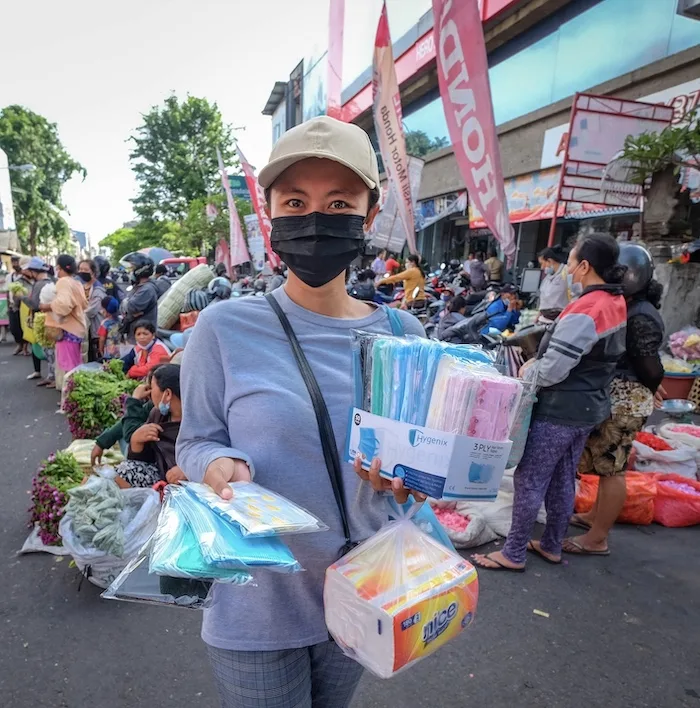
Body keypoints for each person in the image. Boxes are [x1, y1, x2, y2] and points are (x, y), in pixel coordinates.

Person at [175, 115, 425, 707]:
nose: (315, 218)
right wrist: (218, 464)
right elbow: (194, 442)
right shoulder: (223, 327)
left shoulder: (404, 334)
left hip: (367, 591)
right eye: (295, 201)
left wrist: (410, 481)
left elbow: (417, 472)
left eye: (339, 201)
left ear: (369, 217)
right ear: (272, 219)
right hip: (259, 603)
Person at [472, 232, 627, 571]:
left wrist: (528, 372)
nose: (567, 268)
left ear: (585, 266)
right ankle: (553, 543)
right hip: (588, 407)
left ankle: (512, 553)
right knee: (562, 477)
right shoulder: (615, 301)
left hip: (561, 409)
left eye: (571, 261)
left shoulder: (589, 307)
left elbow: (555, 369)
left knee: (530, 478)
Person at [565, 244, 664, 556]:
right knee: (604, 462)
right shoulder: (631, 306)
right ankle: (595, 517)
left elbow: (649, 365)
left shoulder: (641, 316)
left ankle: (597, 538)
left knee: (613, 468)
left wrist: (652, 386)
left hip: (626, 400)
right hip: (619, 396)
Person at [115, 364, 185, 488]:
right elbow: (142, 461)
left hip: (191, 483)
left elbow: (210, 452)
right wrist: (136, 441)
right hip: (161, 477)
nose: (150, 393)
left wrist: (188, 469)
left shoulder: (197, 421)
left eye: (152, 388)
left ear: (167, 394)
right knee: (118, 475)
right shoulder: (157, 414)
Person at [40, 255, 87, 392]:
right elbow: (83, 303)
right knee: (75, 364)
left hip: (67, 329)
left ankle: (70, 397)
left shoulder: (63, 282)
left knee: (69, 366)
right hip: (77, 328)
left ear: (59, 268)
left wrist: (46, 306)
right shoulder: (76, 282)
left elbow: (64, 305)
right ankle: (73, 395)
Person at [92, 374, 155, 465]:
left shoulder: (161, 410)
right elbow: (125, 422)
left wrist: (135, 400)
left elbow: (130, 434)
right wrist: (101, 443)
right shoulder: (153, 405)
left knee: (128, 436)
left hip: (153, 463)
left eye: (151, 388)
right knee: (124, 430)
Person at [21, 257, 54, 383]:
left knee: (45, 348)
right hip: (50, 318)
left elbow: (34, 304)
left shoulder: (39, 284)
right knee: (48, 348)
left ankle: (50, 377)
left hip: (41, 319)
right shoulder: (51, 281)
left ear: (34, 271)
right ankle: (48, 375)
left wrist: (22, 298)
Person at [122, 253, 159, 341]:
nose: (130, 271)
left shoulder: (147, 290)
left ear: (140, 270)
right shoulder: (138, 287)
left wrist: (126, 303)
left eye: (132, 268)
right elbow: (124, 308)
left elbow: (131, 307)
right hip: (135, 335)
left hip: (143, 338)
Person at [78, 259, 106, 362]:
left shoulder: (98, 290)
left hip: (95, 328)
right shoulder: (82, 286)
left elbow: (91, 311)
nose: (82, 272)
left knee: (95, 356)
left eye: (85, 269)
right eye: (80, 269)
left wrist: (77, 313)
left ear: (93, 272)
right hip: (85, 328)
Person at [537, 245, 569, 322]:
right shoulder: (548, 277)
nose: (542, 267)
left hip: (559, 319)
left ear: (550, 261)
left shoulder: (566, 273)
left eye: (542, 263)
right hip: (544, 318)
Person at [9, 256, 31, 355]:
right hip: (15, 305)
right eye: (13, 262)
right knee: (15, 328)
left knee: (25, 327)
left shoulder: (31, 278)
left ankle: (25, 348)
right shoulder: (11, 277)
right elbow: (9, 292)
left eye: (16, 262)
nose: (15, 264)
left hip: (27, 306)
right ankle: (20, 345)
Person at [0, 266, 8, 343]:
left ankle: (3, 335)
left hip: (3, 296)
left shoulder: (4, 272)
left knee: (3, 318)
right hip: (3, 296)